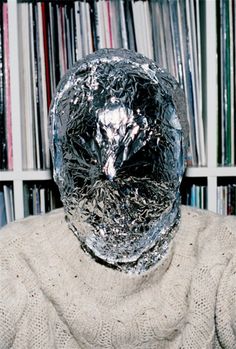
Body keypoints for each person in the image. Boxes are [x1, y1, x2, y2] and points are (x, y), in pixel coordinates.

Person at [0, 49, 236, 349]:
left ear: (176, 156)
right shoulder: (14, 260)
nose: (111, 172)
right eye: (91, 151)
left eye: (138, 153)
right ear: (62, 164)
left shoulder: (224, 250)